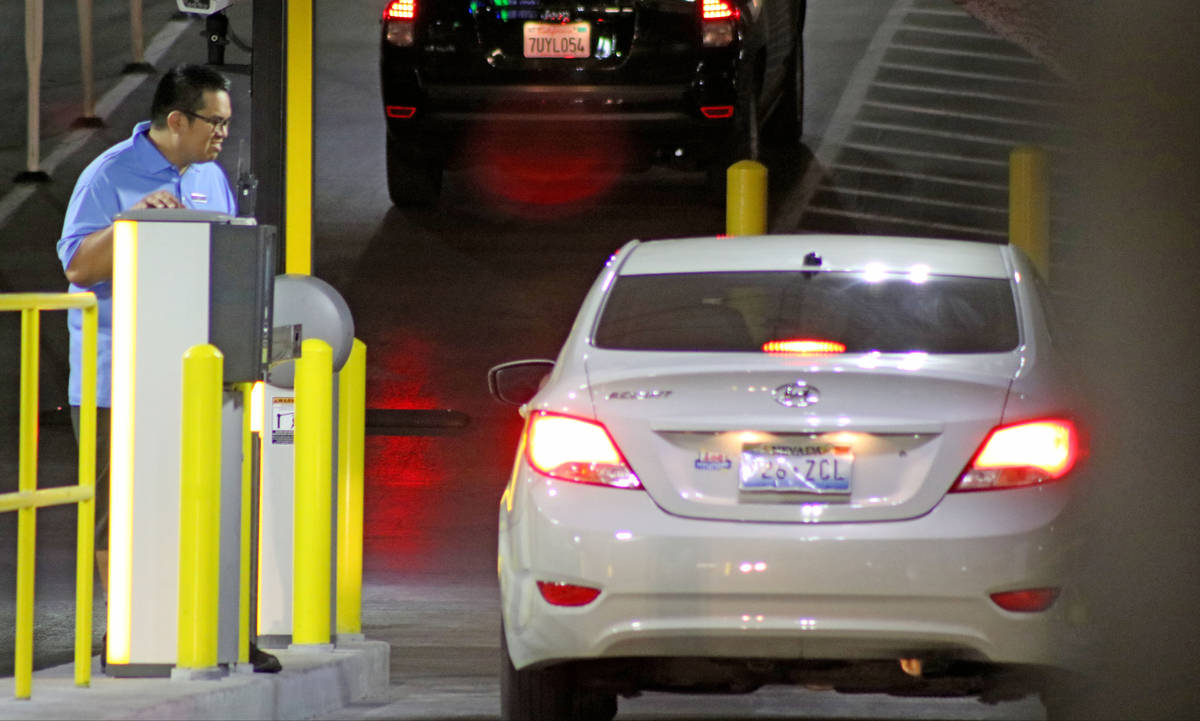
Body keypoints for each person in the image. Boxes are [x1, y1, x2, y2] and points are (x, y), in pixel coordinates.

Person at [57, 63, 279, 674]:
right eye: (214, 122)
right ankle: (131, 634)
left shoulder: (210, 177)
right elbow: (76, 266)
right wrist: (132, 224)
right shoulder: (109, 176)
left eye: (228, 124)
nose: (223, 136)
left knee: (207, 498)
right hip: (116, 380)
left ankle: (221, 629)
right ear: (175, 120)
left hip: (195, 375)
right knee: (117, 510)